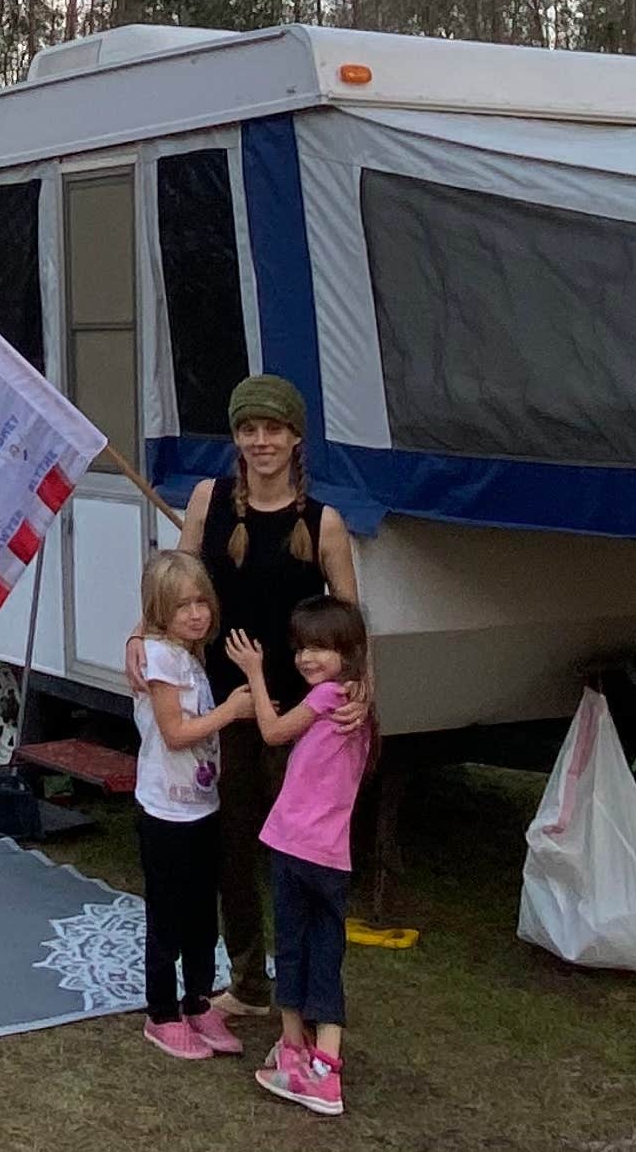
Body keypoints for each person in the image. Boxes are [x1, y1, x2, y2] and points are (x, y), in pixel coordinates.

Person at [180, 373, 360, 1015]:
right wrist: (142, 649)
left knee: (295, 854)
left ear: (295, 438)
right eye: (249, 430)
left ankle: (302, 984)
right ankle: (249, 981)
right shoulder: (208, 501)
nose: (261, 441)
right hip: (225, 708)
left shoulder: (324, 522)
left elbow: (350, 629)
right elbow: (176, 599)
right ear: (236, 438)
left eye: (274, 429)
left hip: (300, 717)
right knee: (231, 847)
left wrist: (360, 696)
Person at [227, 594, 373, 1118]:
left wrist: (254, 672)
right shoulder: (355, 699)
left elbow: (270, 731)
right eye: (302, 648)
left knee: (292, 947)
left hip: (295, 848)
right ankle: (322, 1062)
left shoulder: (332, 696)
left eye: (320, 648)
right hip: (331, 857)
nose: (307, 658)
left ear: (347, 653)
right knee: (325, 953)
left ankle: (299, 1057)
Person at [122, 550, 258, 1060]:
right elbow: (175, 733)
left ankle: (198, 1000)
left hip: (201, 805)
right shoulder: (159, 658)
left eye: (202, 602)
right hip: (165, 811)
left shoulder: (190, 654)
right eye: (183, 607)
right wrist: (230, 711)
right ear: (159, 612)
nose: (197, 614)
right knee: (169, 914)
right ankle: (161, 1013)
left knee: (203, 912)